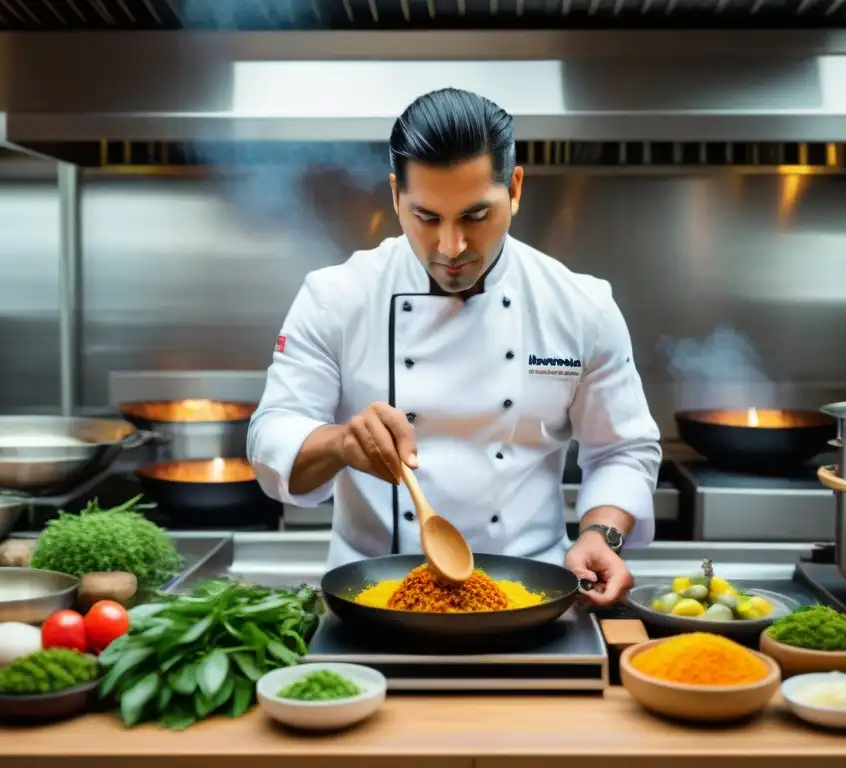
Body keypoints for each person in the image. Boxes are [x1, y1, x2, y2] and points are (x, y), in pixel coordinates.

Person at [248, 87, 661, 606]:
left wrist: (601, 535)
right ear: (396, 195)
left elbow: (624, 449)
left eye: (474, 216)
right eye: (426, 217)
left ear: (514, 188)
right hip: (371, 600)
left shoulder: (581, 305)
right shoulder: (336, 297)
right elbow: (271, 435)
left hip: (532, 599)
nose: (451, 248)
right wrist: (340, 443)